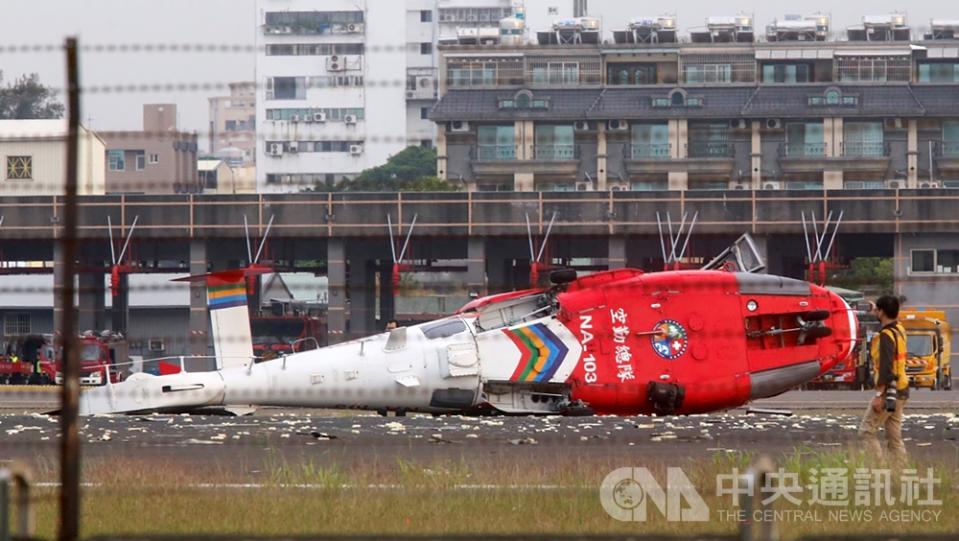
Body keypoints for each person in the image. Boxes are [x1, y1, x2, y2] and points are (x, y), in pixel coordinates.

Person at [858, 295, 909, 470]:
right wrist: (877, 310)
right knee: (894, 438)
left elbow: (886, 368)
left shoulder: (885, 336)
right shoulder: (899, 329)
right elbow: (890, 317)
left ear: (882, 312)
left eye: (877, 310)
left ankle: (878, 470)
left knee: (866, 431)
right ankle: (900, 473)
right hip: (902, 389)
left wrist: (879, 396)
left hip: (889, 392)